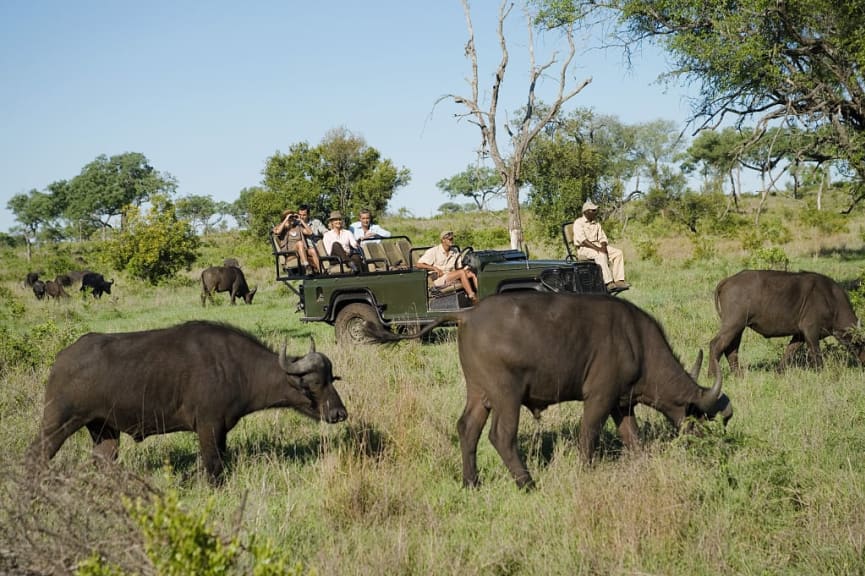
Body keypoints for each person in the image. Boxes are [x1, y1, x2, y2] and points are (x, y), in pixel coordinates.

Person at [572, 200, 630, 293]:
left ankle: (619, 280)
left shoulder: (596, 223)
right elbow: (583, 240)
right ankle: (608, 283)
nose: (595, 212)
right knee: (600, 255)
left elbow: (602, 237)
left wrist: (603, 246)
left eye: (595, 210)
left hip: (597, 245)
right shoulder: (578, 223)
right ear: (586, 212)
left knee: (618, 253)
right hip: (584, 248)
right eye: (593, 210)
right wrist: (598, 249)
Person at [416, 230, 479, 304]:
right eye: (450, 239)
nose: (452, 241)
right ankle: (472, 296)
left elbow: (458, 267)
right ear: (443, 240)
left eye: (452, 239)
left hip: (451, 275)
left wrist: (466, 268)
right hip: (439, 279)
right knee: (462, 273)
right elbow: (418, 264)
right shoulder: (433, 251)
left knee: (471, 273)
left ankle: (481, 294)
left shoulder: (454, 251)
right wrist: (434, 268)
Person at [273, 208, 319, 275]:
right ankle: (307, 267)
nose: (291, 219)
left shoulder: (298, 227)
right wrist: (286, 219)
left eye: (292, 217)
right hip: (290, 254)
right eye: (290, 217)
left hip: (302, 251)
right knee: (299, 243)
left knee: (312, 250)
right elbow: (277, 232)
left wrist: (301, 220)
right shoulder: (282, 228)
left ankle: (321, 271)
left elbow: (310, 232)